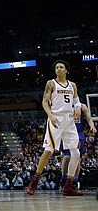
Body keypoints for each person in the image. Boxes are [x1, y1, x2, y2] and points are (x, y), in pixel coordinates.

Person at [26, 59, 83, 196]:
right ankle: (34, 181)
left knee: (76, 153)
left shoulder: (72, 85)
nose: (58, 69)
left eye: (61, 67)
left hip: (69, 120)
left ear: (66, 70)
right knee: (48, 151)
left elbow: (76, 99)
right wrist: (50, 115)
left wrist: (79, 107)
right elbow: (45, 102)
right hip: (56, 119)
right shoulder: (51, 83)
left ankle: (68, 185)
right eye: (57, 67)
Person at [60, 102, 96, 189]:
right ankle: (64, 179)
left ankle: (75, 181)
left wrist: (92, 126)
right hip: (66, 133)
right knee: (67, 157)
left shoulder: (82, 106)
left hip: (78, 134)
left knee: (77, 158)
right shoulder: (63, 105)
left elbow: (88, 118)